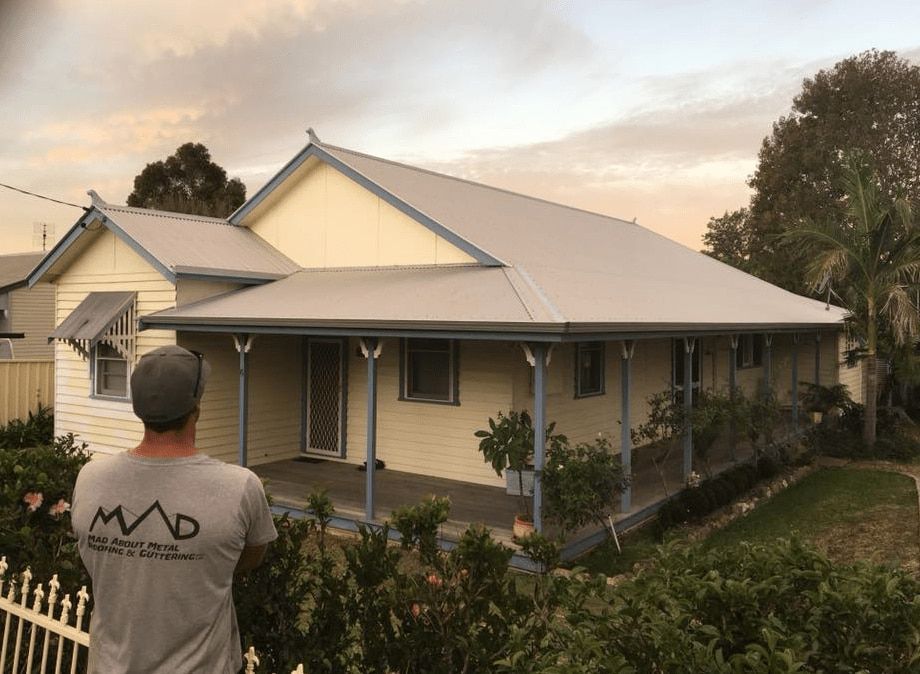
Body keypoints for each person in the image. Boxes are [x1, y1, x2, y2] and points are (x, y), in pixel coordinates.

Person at [71, 345, 277, 673]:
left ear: (138, 407)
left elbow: (95, 560)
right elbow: (250, 556)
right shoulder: (239, 487)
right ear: (196, 407)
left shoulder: (90, 479)